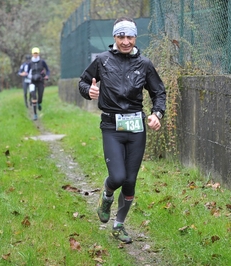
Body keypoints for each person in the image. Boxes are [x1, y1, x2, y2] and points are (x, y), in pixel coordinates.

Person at [78, 17, 166, 244]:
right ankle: (106, 195)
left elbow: (159, 93)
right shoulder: (102, 61)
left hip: (136, 128)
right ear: (114, 37)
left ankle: (119, 226)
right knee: (117, 176)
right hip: (111, 126)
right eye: (121, 37)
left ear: (135, 37)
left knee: (130, 181)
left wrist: (157, 114)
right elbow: (83, 82)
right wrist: (90, 91)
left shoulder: (144, 64)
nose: (125, 41)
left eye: (130, 36)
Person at [23, 47, 50, 120]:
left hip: (40, 81)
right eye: (34, 53)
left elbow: (47, 70)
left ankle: (39, 103)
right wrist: (26, 74)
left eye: (36, 53)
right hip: (32, 82)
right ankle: (35, 114)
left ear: (38, 53)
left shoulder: (42, 62)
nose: (35, 54)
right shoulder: (30, 63)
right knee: (34, 96)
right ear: (32, 54)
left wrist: (47, 76)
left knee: (40, 97)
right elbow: (27, 72)